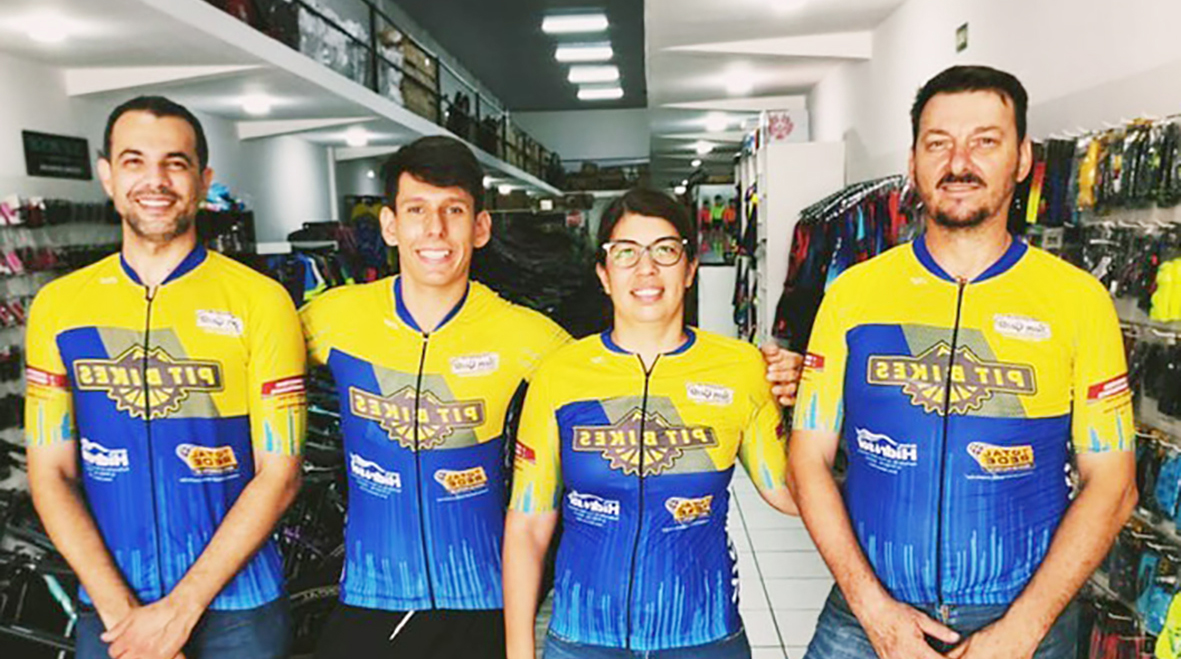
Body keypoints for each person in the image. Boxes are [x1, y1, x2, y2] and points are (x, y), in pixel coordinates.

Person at [301, 137, 803, 659]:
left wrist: (797, 383)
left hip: (484, 600)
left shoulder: (535, 341)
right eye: (415, 210)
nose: (434, 229)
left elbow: (629, 373)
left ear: (481, 227)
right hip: (370, 593)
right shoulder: (333, 317)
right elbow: (257, 362)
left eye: (453, 210)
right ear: (389, 224)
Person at [788, 65, 1138, 659]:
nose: (958, 163)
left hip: (1025, 623)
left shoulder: (1077, 302)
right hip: (863, 619)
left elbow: (1114, 483)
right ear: (913, 161)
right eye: (938, 143)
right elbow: (807, 460)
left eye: (985, 141)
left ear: (1022, 159)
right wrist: (873, 611)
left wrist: (1023, 629)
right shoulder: (852, 295)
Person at [24, 96, 307, 659]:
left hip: (239, 614)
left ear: (204, 180)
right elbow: (50, 472)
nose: (155, 180)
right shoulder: (59, 306)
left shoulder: (261, 301)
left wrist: (178, 613)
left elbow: (281, 473)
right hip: (112, 614)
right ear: (107, 175)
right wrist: (124, 617)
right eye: (134, 161)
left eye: (175, 163)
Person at [503, 188, 799, 659]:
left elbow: (789, 493)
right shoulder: (559, 375)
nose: (647, 269)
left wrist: (818, 402)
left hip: (703, 635)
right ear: (604, 274)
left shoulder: (740, 368)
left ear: (690, 269)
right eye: (626, 252)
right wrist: (519, 650)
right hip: (583, 639)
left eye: (665, 250)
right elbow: (528, 525)